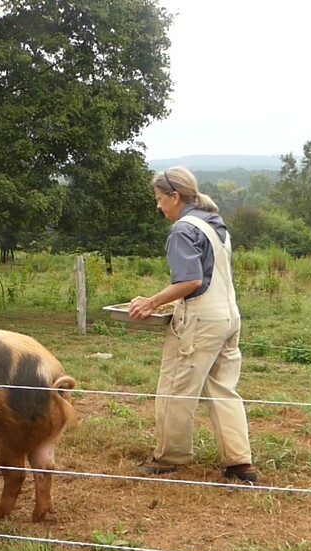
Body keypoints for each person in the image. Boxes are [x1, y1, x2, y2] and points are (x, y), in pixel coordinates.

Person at [127, 166, 257, 483]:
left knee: (175, 387)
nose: (158, 207)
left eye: (160, 199)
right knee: (223, 388)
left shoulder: (183, 230)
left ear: (175, 196)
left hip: (200, 318)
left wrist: (151, 302)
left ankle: (169, 457)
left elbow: (190, 280)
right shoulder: (214, 222)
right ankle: (240, 462)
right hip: (229, 316)